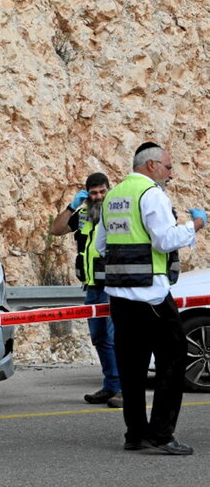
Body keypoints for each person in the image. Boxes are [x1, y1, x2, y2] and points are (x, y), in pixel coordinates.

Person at [96, 141, 206, 455]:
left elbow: (101, 245)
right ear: (151, 165)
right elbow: (164, 240)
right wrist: (194, 225)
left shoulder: (114, 195)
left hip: (120, 295)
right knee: (174, 359)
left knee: (132, 367)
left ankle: (135, 433)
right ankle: (161, 434)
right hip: (151, 295)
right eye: (169, 167)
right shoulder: (151, 194)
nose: (171, 173)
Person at [50, 172, 122, 408]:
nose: (98, 196)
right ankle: (110, 385)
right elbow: (56, 230)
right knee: (100, 339)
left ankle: (122, 389)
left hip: (113, 286)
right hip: (91, 287)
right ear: (87, 194)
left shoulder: (117, 213)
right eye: (94, 193)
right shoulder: (82, 214)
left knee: (115, 339)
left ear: (109, 190)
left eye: (102, 191)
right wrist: (71, 207)